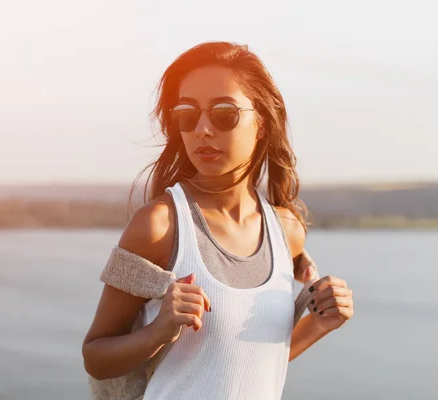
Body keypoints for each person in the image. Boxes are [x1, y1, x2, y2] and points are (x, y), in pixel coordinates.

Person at [82, 41, 354, 400]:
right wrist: (157, 332)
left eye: (224, 113)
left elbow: (251, 368)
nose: (203, 130)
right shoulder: (159, 226)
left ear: (262, 122)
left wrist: (317, 325)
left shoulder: (287, 231)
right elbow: (96, 357)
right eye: (188, 115)